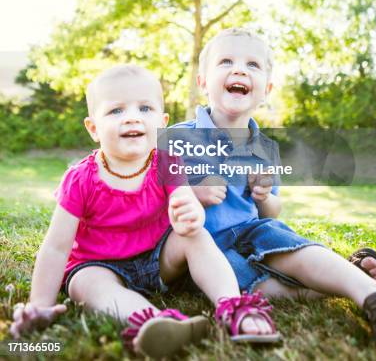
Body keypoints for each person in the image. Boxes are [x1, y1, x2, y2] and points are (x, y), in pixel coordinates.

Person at [9, 64, 282, 358]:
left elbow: (188, 209)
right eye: (115, 111)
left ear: (162, 123)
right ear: (93, 128)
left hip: (157, 259)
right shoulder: (81, 179)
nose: (131, 118)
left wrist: (191, 215)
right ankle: (156, 322)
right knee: (85, 285)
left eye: (145, 108)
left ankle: (233, 305)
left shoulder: (167, 161)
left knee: (195, 236)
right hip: (99, 265)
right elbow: (55, 248)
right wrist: (40, 303)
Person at [172, 28, 376, 358]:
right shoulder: (177, 137)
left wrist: (265, 195)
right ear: (202, 82)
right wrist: (192, 191)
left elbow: (271, 213)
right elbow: (151, 197)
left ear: (265, 90)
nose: (239, 69)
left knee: (284, 242)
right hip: (203, 248)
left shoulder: (265, 148)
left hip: (253, 231)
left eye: (252, 65)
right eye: (226, 61)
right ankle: (348, 274)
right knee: (262, 287)